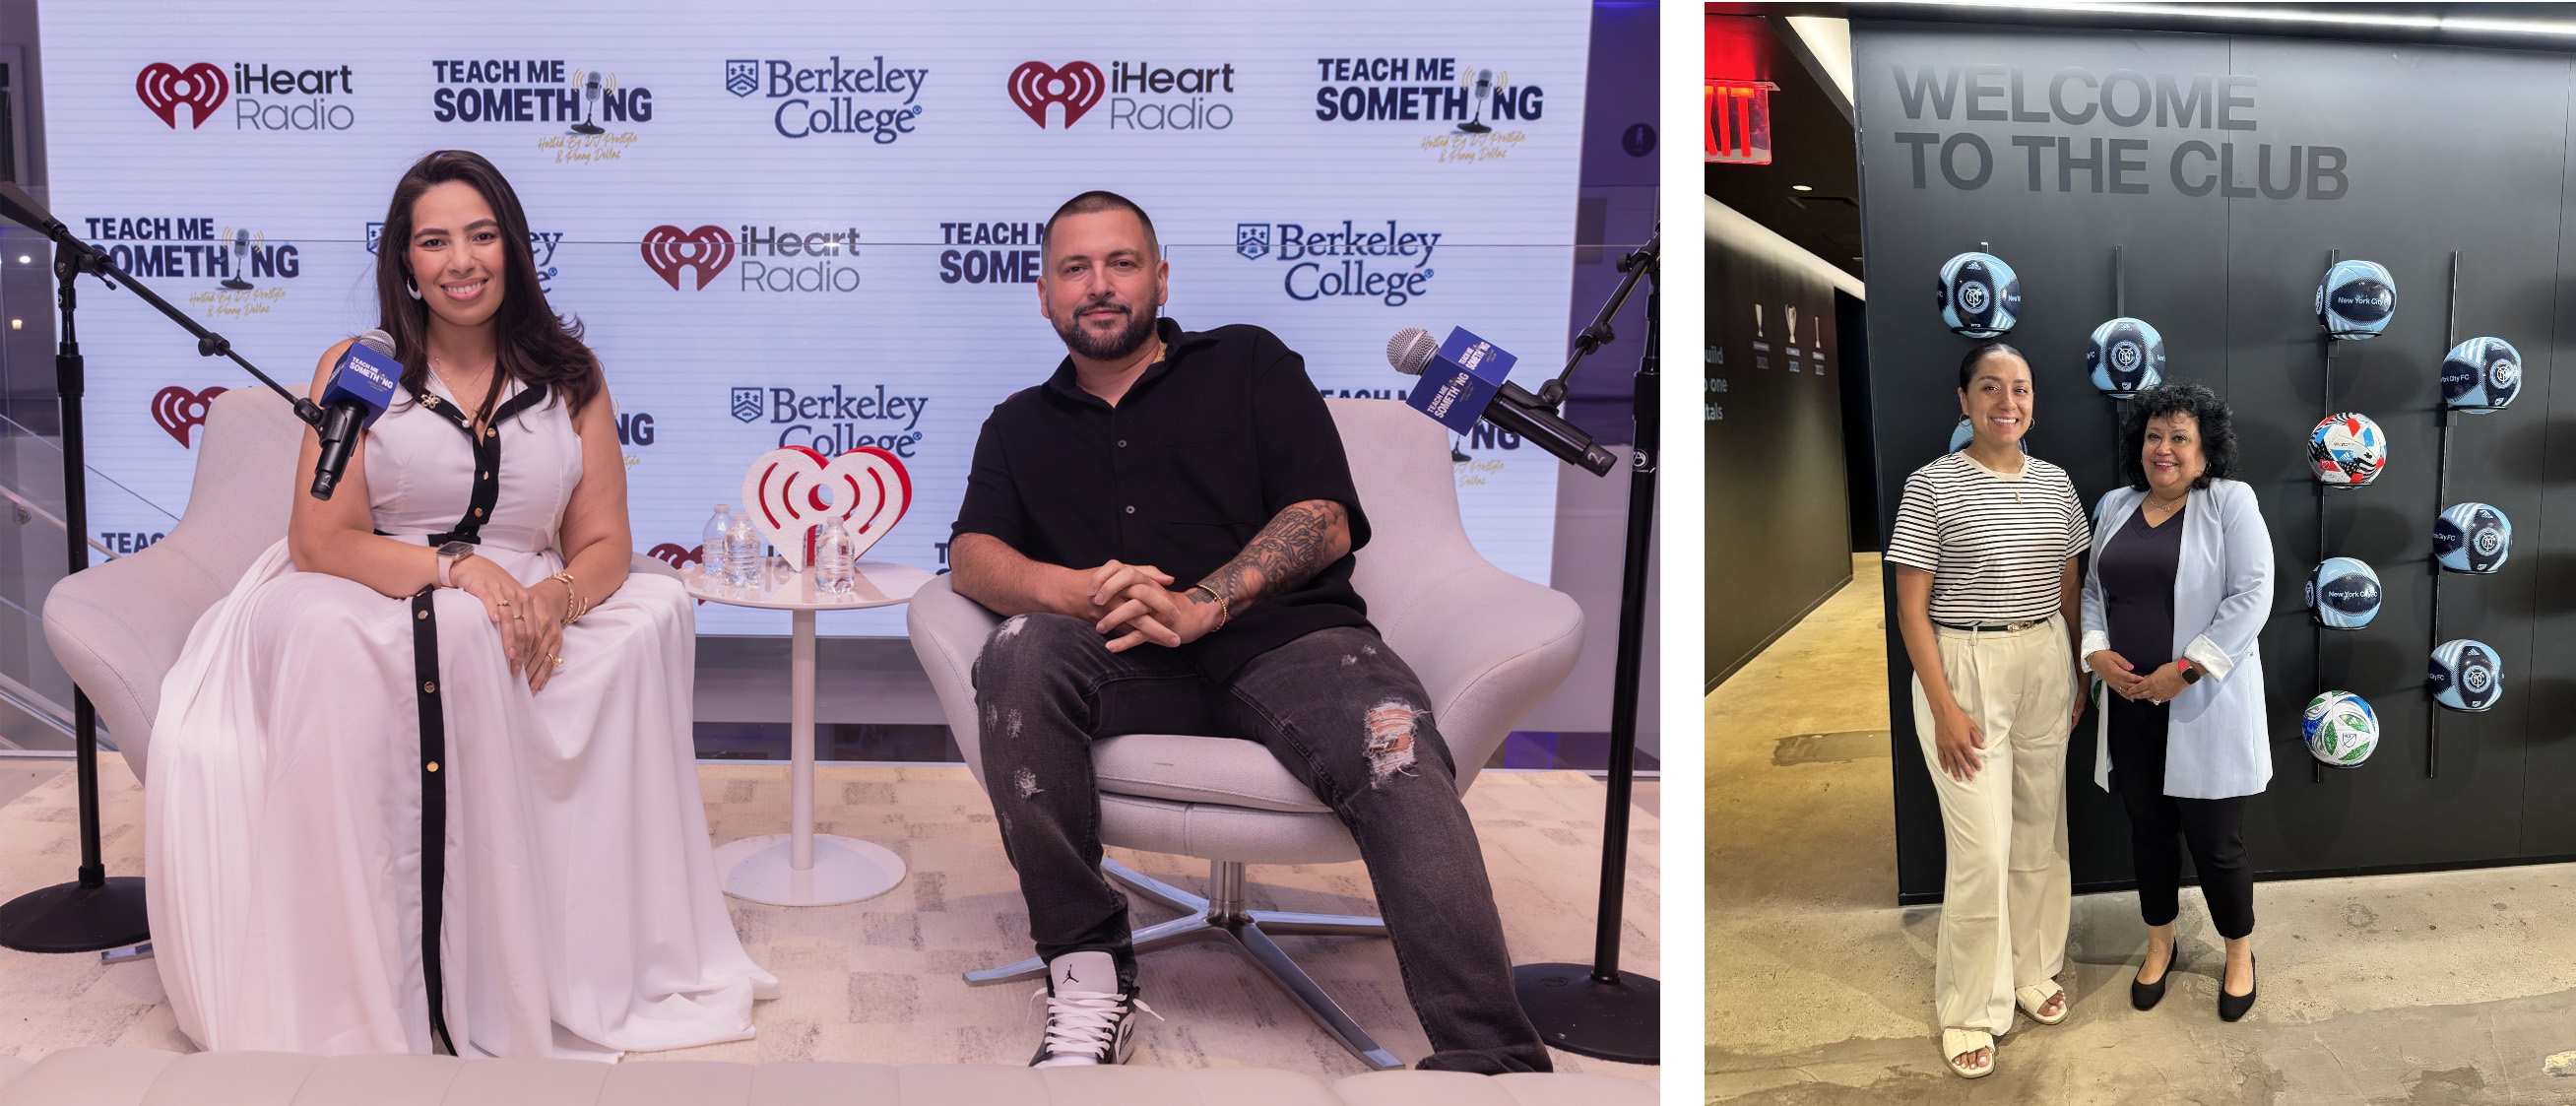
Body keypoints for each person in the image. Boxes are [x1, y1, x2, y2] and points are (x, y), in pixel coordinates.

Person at [145, 150, 776, 1057]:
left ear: (514, 249)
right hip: (363, 586)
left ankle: (506, 978)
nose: (461, 260)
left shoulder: (571, 373)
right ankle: (354, 1008)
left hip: (521, 595)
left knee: (593, 619)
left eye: (481, 235)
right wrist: (457, 568)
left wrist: (555, 597)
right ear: (405, 260)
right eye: (434, 240)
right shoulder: (360, 368)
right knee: (418, 631)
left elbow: (604, 545)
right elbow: (320, 540)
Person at [947, 190, 1548, 1073]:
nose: (1100, 285)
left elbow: (1325, 516)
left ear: (1159, 277)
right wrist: (1065, 589)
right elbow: (970, 556)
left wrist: (1205, 602)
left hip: (1290, 644)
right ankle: (1087, 976)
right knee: (1016, 651)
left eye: (1120, 262)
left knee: (1398, 746)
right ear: (1044, 294)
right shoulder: (1017, 425)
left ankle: (1491, 1059)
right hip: (1118, 657)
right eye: (1075, 268)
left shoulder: (1249, 362)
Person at [1887, 342, 2090, 1079]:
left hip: (2044, 657)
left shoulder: (2057, 484)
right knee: (1980, 847)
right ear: (1964, 400)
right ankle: (1971, 1005)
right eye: (1991, 388)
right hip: (1962, 663)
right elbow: (1910, 608)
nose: (2009, 402)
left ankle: (2032, 967)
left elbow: (2068, 585)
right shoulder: (1931, 485)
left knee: (2040, 825)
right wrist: (1942, 705)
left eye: (2021, 389)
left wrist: (2077, 674)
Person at [2079, 380, 2270, 1022]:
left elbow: (2252, 597)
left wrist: (2185, 671)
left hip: (2200, 704)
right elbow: (2090, 594)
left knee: (2217, 842)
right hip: (2131, 703)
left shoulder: (2228, 503)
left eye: (2180, 437)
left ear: (2206, 451)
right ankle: (2160, 943)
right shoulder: (2116, 507)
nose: (2164, 449)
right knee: (2150, 833)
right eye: (2154, 436)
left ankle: (2238, 952)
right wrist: (2096, 651)